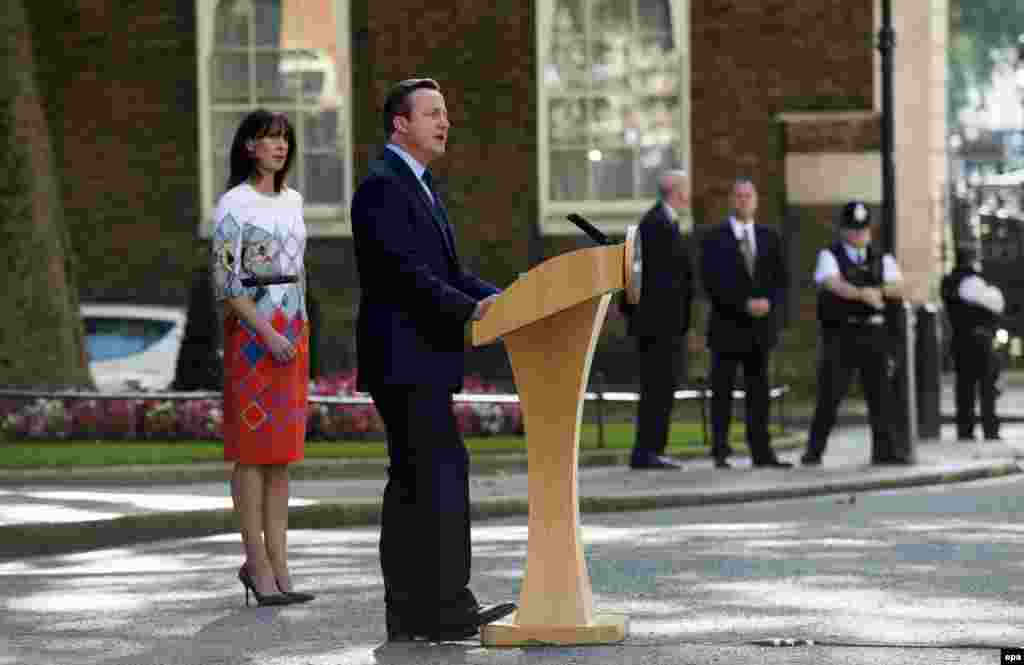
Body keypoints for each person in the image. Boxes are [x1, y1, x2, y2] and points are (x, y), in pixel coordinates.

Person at [351, 78, 516, 642]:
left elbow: (448, 271)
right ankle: (438, 607)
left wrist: (506, 299)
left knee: (421, 480)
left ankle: (419, 610)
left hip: (422, 359)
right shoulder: (381, 187)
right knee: (433, 475)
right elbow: (405, 275)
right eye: (432, 114)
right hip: (403, 358)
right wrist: (472, 311)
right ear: (400, 123)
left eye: (445, 113)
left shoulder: (420, 186)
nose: (444, 123)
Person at [211, 110, 314, 606]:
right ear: (249, 147)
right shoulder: (234, 203)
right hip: (253, 335)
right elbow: (228, 285)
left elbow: (300, 270)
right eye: (269, 139)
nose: (278, 146)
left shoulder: (293, 201)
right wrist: (268, 332)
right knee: (253, 452)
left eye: (284, 139)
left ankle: (281, 566)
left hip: (294, 331)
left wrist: (298, 328)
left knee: (282, 456)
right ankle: (257, 564)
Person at [800, 201, 907, 466]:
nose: (859, 235)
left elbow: (898, 287)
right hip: (842, 334)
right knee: (830, 395)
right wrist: (862, 293)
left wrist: (877, 292)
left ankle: (885, 451)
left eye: (863, 230)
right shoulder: (830, 255)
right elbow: (832, 283)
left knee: (881, 395)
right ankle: (813, 452)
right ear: (843, 230)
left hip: (874, 334)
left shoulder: (882, 257)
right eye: (853, 230)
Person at [700, 178, 791, 469]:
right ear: (731, 200)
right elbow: (711, 281)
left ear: (756, 200)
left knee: (759, 394)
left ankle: (761, 452)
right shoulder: (714, 238)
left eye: (748, 195)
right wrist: (743, 304)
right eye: (738, 196)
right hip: (727, 327)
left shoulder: (769, 237)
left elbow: (781, 280)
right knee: (722, 393)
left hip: (759, 332)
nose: (743, 200)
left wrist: (770, 303)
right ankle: (721, 451)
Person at [620, 169, 694, 470]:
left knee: (662, 388)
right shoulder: (655, 224)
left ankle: (652, 449)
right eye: (685, 189)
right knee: (656, 389)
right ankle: (647, 451)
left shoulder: (664, 222)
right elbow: (649, 280)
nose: (689, 195)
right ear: (675, 191)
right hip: (658, 328)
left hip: (665, 327)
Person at [941, 244, 1005, 441]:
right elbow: (996, 302)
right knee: (987, 387)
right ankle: (990, 429)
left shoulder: (949, 281)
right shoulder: (971, 281)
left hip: (960, 340)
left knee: (965, 388)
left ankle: (965, 429)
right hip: (980, 340)